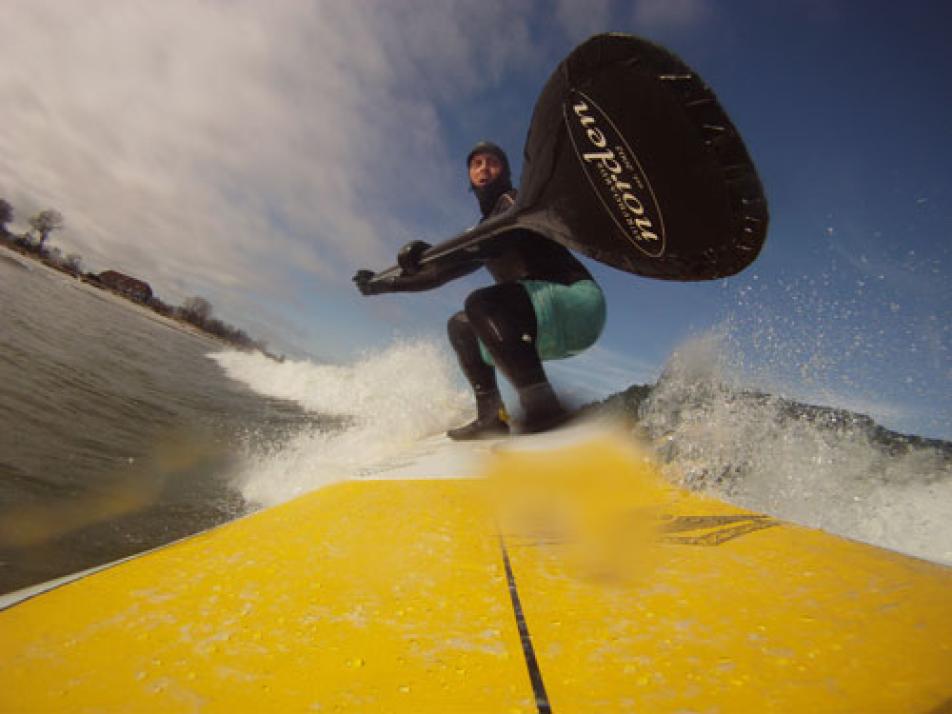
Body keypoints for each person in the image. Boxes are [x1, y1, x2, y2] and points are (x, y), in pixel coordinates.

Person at [354, 141, 606, 439]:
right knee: (461, 325)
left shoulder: (516, 203)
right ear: (470, 177)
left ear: (506, 173)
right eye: (476, 164)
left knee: (482, 303)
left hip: (576, 302)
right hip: (539, 321)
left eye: (492, 162)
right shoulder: (485, 229)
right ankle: (490, 416)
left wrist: (431, 251)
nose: (484, 167)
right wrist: (380, 286)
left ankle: (543, 406)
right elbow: (439, 274)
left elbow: (480, 245)